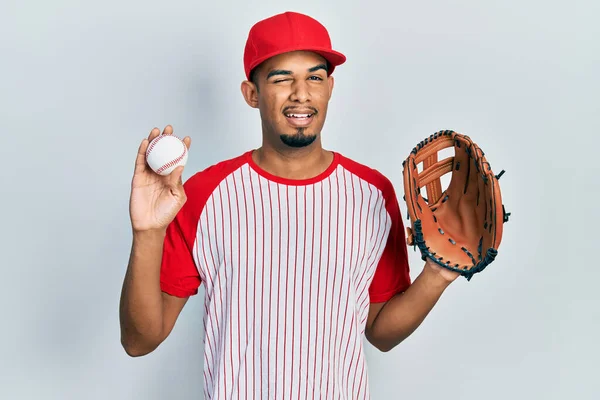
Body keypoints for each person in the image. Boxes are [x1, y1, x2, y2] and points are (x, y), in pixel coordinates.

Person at [119, 10, 460, 399]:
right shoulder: (203, 194)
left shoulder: (373, 194)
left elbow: (381, 332)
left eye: (314, 77)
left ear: (330, 87)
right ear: (252, 93)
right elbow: (139, 340)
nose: (301, 93)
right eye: (282, 78)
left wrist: (437, 273)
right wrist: (147, 233)